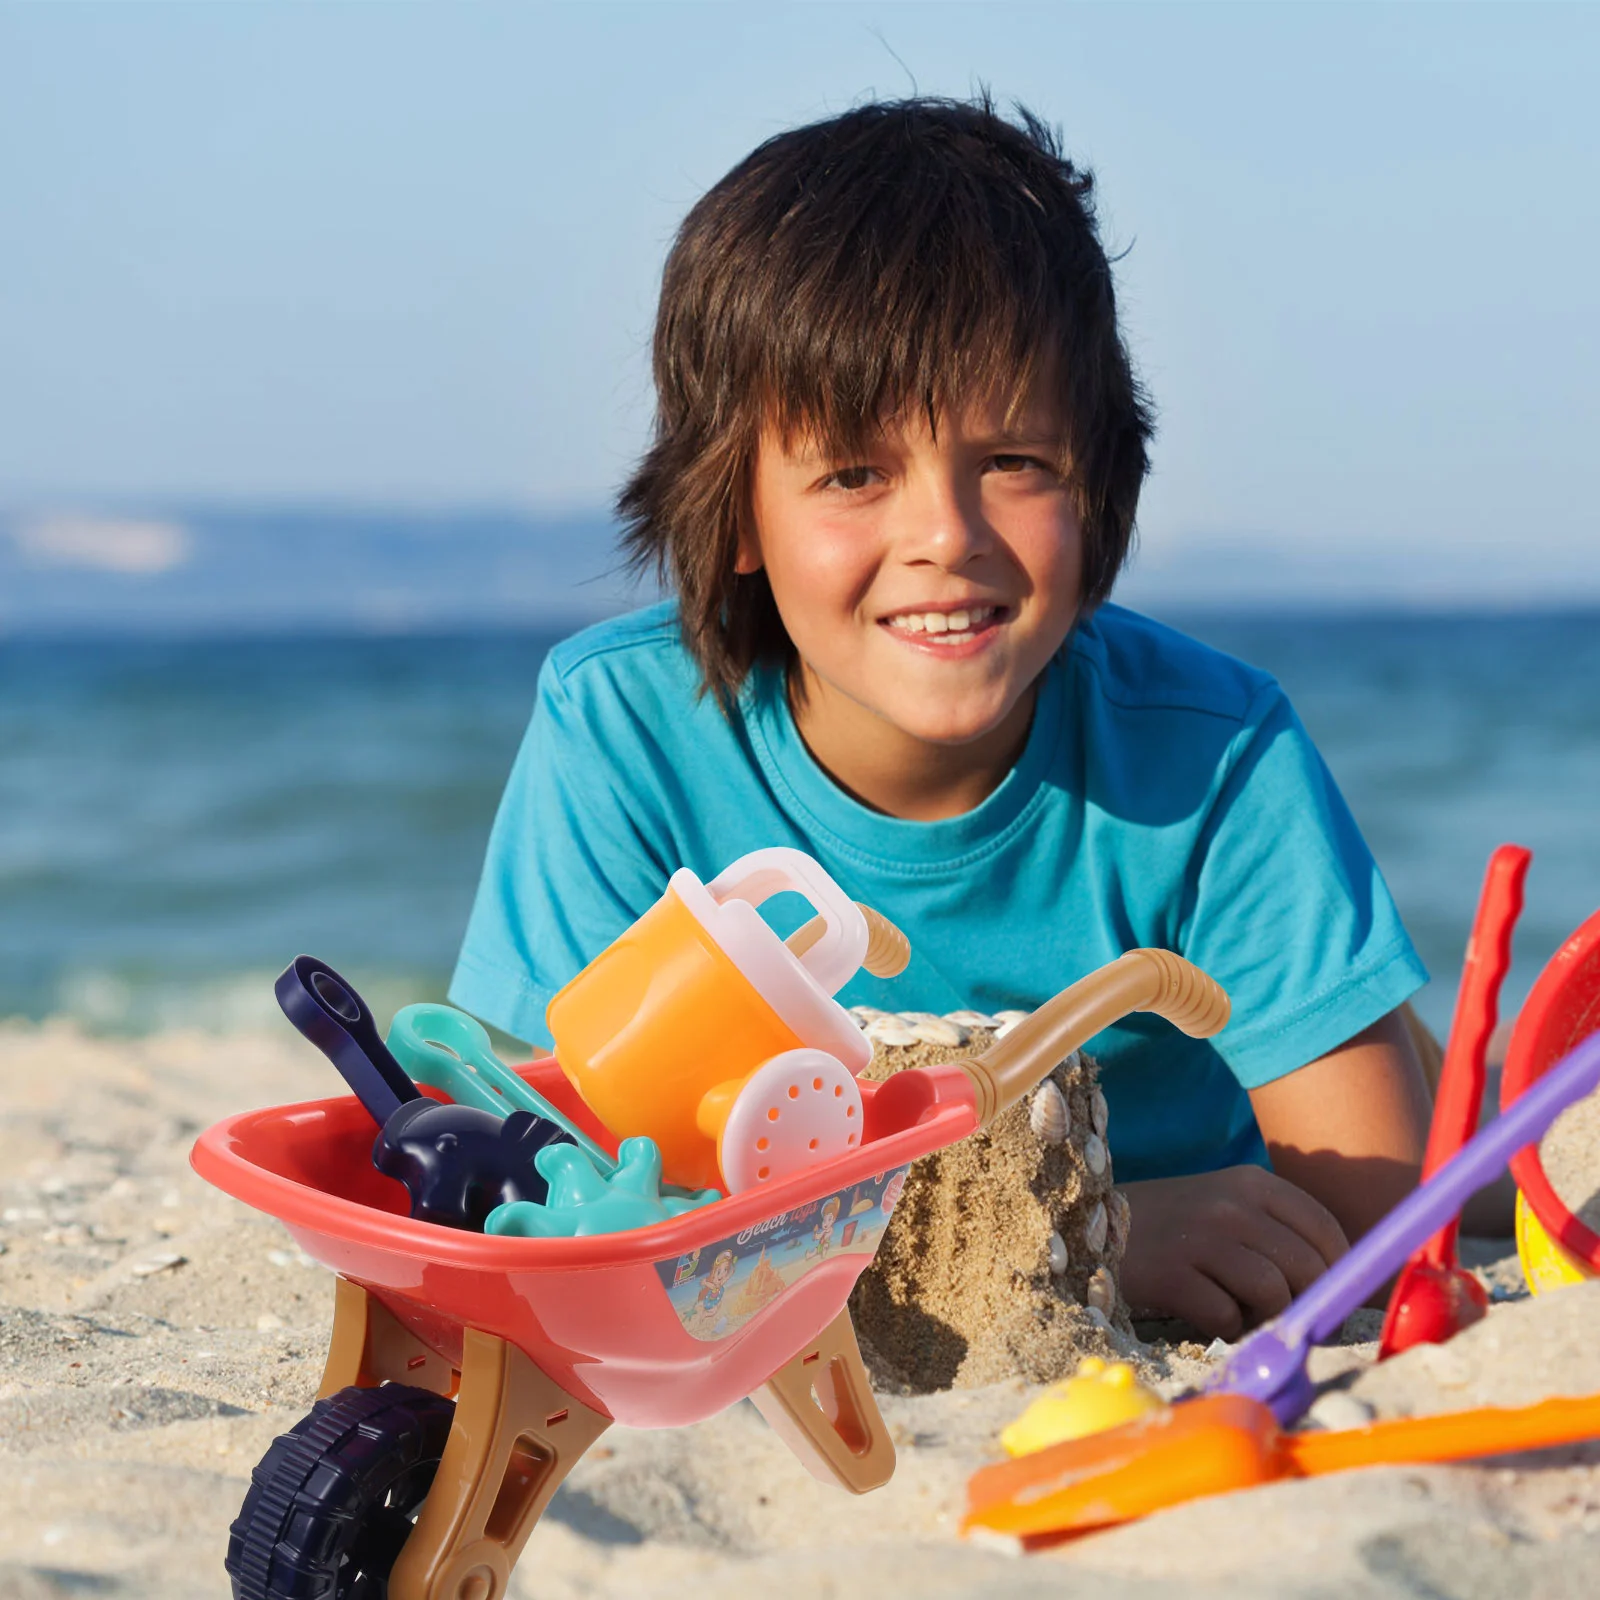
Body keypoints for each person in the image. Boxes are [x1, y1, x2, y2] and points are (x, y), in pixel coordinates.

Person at [451, 96, 1439, 1341]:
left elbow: (1384, 1206)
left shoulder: (1216, 752)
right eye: (854, 474)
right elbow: (556, 1190)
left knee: (1481, 1124)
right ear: (737, 513)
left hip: (1207, 1176)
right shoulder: (623, 734)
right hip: (1126, 1219)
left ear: (1099, 477)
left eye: (1014, 461)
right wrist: (1081, 1239)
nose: (945, 538)